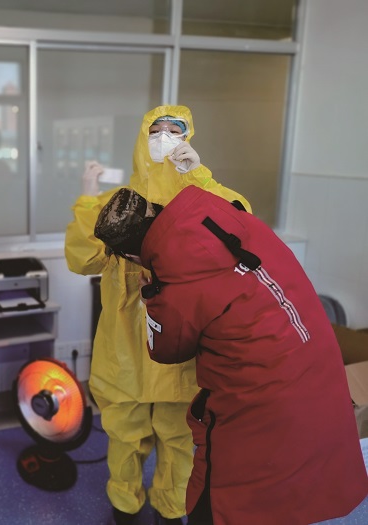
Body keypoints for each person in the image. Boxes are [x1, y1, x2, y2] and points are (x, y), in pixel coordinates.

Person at [94, 185, 368, 525]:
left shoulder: (174, 287)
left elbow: (165, 349)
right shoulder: (233, 218)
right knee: (292, 478)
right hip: (316, 365)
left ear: (131, 255)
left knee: (221, 493)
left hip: (260, 398)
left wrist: (151, 294)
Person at [64, 105, 251, 525]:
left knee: (179, 441)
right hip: (125, 351)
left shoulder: (202, 195)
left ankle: (170, 511)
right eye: (156, 130)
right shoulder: (118, 203)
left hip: (179, 351)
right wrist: (88, 196)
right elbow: (82, 260)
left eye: (175, 130)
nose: (165, 137)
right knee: (124, 439)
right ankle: (125, 508)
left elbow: (242, 225)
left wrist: (200, 176)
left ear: (189, 137)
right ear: (141, 136)